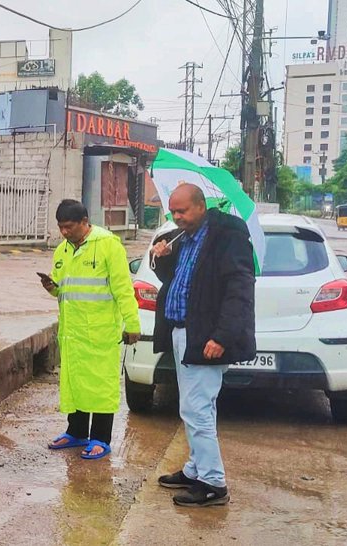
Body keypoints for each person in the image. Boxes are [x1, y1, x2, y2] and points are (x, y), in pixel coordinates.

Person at [150, 184, 255, 507]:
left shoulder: (227, 236)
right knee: (195, 407)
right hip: (184, 332)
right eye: (173, 212)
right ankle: (195, 469)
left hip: (207, 336)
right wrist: (162, 259)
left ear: (200, 206)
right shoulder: (184, 239)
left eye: (182, 211)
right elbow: (179, 282)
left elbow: (239, 289)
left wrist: (222, 336)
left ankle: (213, 482)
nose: (177, 217)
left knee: (197, 411)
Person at [40, 200, 140, 460]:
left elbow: (122, 289)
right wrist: (53, 289)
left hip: (100, 331)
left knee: (100, 386)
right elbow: (64, 288)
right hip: (72, 333)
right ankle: (76, 432)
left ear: (84, 221)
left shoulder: (108, 245)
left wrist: (133, 324)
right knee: (75, 384)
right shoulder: (62, 251)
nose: (64, 232)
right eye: (60, 227)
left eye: (68, 227)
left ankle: (100, 438)